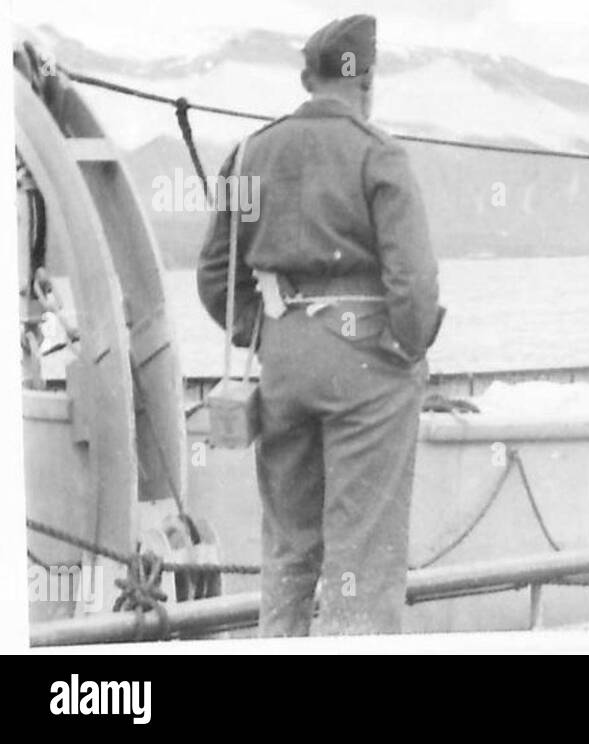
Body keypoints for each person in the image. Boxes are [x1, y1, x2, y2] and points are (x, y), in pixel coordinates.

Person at [196, 14, 441, 636]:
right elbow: (414, 285)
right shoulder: (378, 154)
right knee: (362, 557)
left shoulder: (250, 153)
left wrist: (268, 329)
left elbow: (215, 277)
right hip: (367, 369)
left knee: (288, 549)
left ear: (308, 78)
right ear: (368, 80)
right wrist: (406, 350)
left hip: (283, 364)